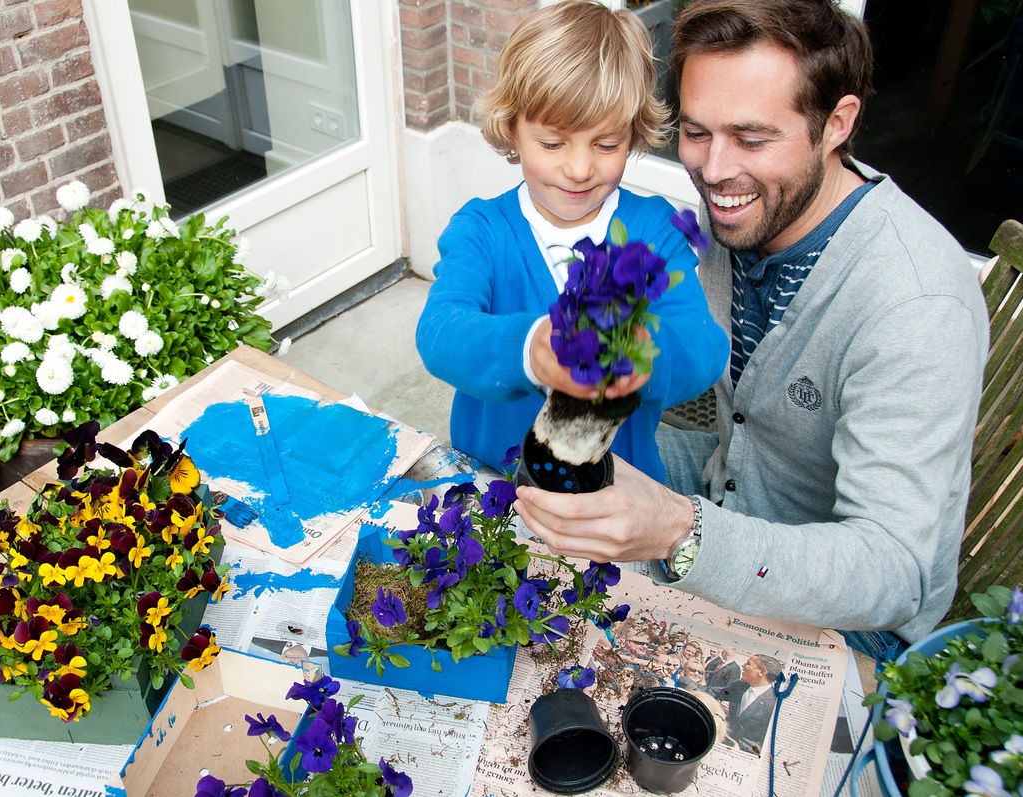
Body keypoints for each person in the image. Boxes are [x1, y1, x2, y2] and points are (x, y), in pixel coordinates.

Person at [513, 0, 990, 660]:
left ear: (836, 125)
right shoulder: (729, 224)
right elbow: (724, 436)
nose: (712, 170)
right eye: (697, 132)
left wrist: (679, 530)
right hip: (729, 508)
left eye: (753, 138)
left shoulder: (916, 300)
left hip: (852, 628)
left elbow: (895, 572)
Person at [415, 0, 728, 479]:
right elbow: (440, 332)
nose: (580, 169)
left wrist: (644, 353)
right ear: (513, 128)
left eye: (606, 145)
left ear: (633, 133)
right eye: (553, 143)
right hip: (498, 495)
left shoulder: (651, 231)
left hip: (620, 495)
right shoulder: (481, 230)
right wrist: (531, 348)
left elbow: (704, 347)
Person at [718, 654, 783, 754]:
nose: (743, 665)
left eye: (748, 663)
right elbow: (715, 693)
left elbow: (766, 743)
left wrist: (740, 748)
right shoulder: (740, 685)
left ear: (762, 672)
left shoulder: (773, 704)